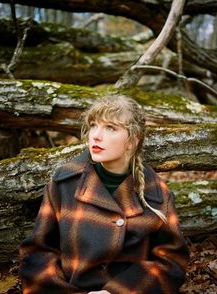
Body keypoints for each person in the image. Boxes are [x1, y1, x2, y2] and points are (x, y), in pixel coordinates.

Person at [19, 95, 189, 294]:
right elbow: (37, 253)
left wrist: (116, 292)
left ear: (132, 141)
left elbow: (171, 262)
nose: (96, 136)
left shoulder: (156, 193)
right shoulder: (64, 183)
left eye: (110, 128)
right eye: (93, 125)